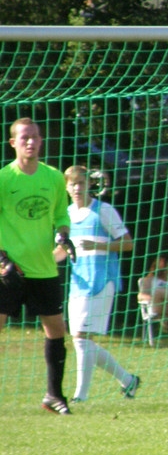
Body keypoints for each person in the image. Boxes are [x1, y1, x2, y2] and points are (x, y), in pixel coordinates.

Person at [0, 118, 76, 415]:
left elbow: (61, 215)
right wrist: (2, 259)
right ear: (13, 143)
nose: (30, 142)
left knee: (56, 330)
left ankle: (54, 396)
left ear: (41, 141)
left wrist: (63, 234)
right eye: (24, 138)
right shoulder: (4, 179)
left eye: (35, 137)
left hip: (44, 268)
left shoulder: (54, 177)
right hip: (9, 270)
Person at [60, 165, 139, 403]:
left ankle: (80, 396)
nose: (77, 188)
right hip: (79, 282)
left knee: (81, 338)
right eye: (72, 184)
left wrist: (98, 246)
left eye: (81, 183)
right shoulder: (66, 214)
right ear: (66, 187)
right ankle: (128, 379)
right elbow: (61, 251)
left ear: (89, 185)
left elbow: (127, 243)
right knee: (80, 340)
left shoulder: (104, 210)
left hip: (102, 280)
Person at [137, 255, 168, 346]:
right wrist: (153, 298)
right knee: (159, 291)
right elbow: (140, 296)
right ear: (162, 266)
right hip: (158, 307)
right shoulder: (150, 279)